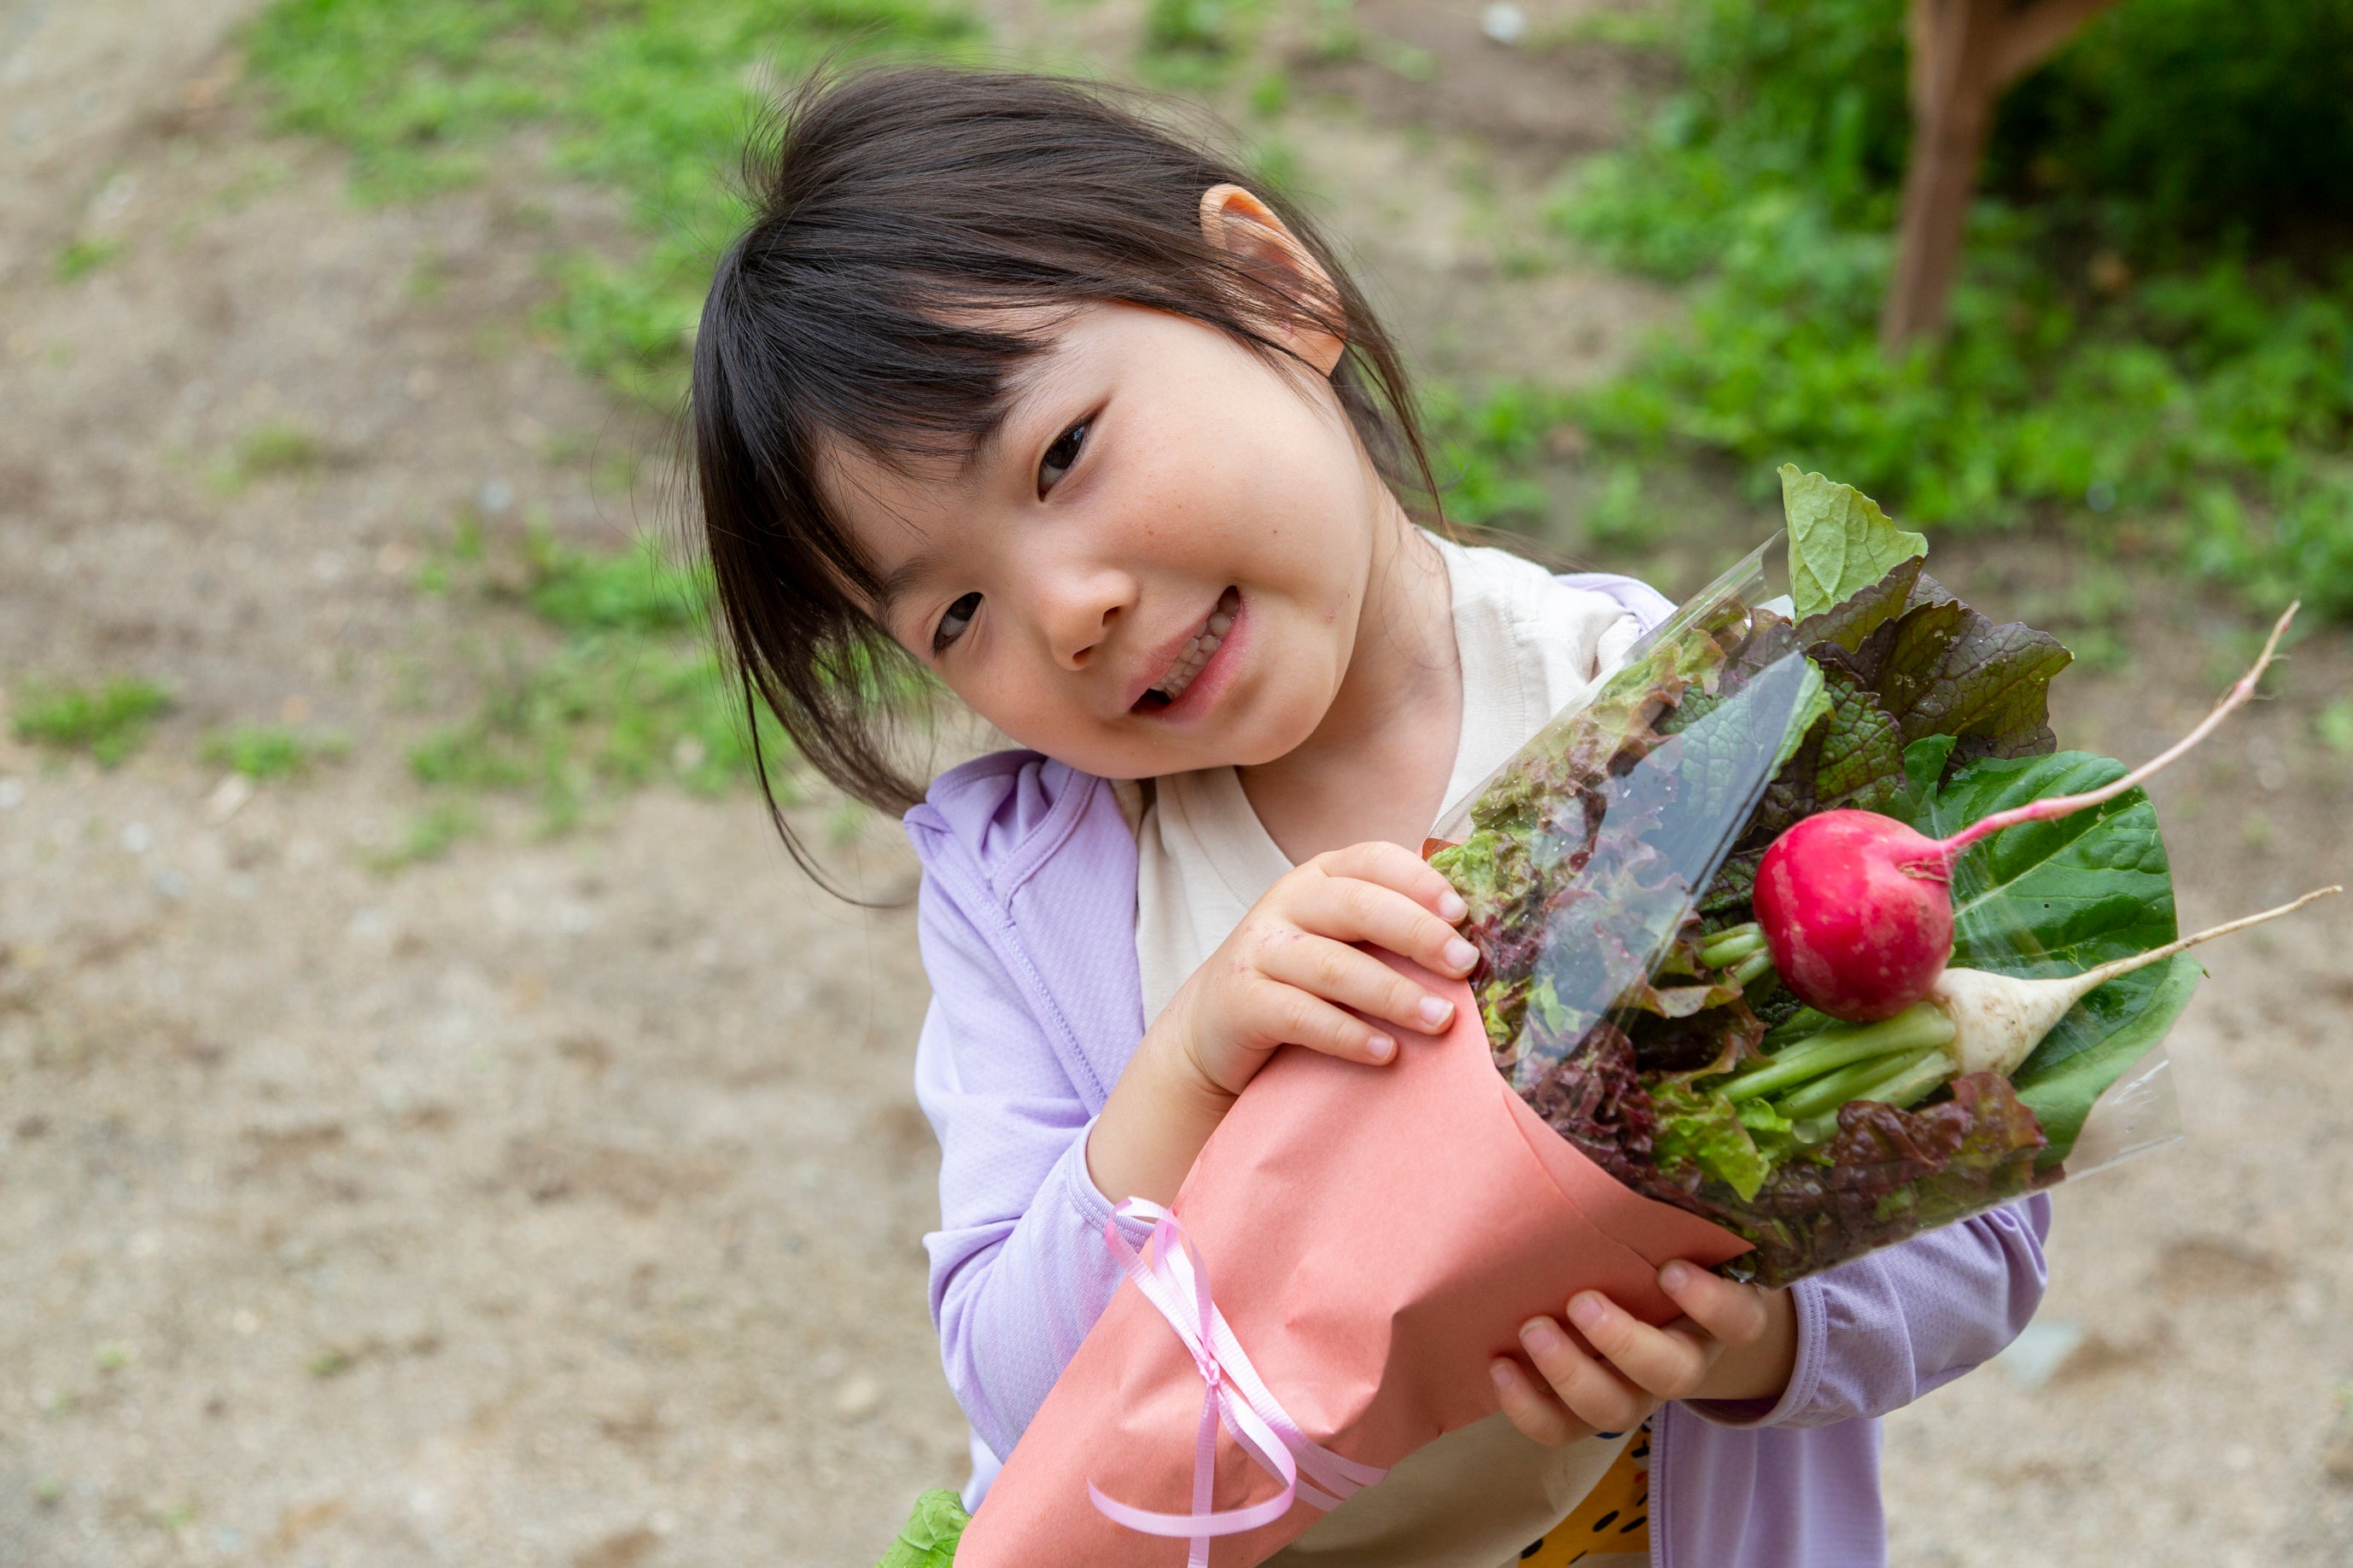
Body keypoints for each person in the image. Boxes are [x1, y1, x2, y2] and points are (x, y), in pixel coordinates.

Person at [689, 66, 2048, 1568]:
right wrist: (1190, 1064)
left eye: (1062, 455)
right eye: (955, 612)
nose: (1069, 611)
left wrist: (1755, 1341)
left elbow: (1984, 1235)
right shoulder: (1041, 889)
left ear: (1272, 287)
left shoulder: (1695, 719)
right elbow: (1022, 1392)